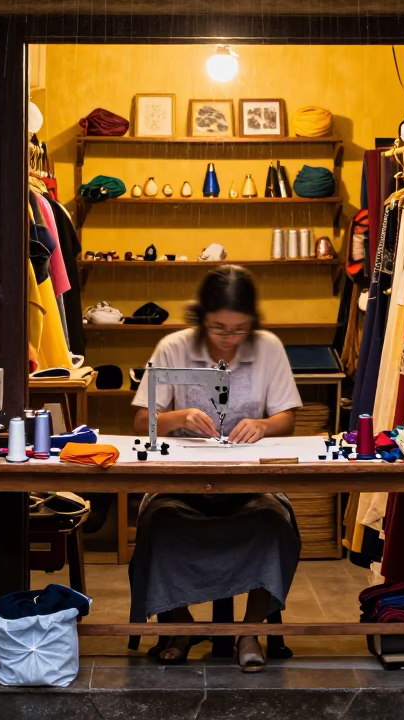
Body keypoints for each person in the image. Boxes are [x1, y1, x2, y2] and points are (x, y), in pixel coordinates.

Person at [129, 265, 303, 671]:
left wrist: (263, 424)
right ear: (201, 319)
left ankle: (249, 630)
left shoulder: (268, 348)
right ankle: (181, 625)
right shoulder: (174, 348)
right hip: (180, 482)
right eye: (218, 328)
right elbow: (141, 422)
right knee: (161, 521)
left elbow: (287, 418)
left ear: (252, 324)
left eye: (239, 329)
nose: (228, 339)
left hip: (248, 480)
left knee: (273, 521)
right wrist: (178, 417)